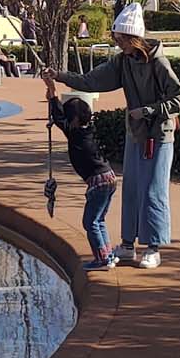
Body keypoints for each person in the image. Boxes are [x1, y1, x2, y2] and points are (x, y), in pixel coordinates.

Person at [42, 1, 180, 270]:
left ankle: (153, 247)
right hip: (135, 133)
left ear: (134, 38)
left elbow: (177, 98)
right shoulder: (123, 62)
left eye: (121, 39)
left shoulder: (159, 63)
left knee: (153, 190)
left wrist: (150, 110)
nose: (118, 44)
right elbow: (90, 81)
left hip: (159, 135)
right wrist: (59, 76)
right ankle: (128, 245)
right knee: (130, 189)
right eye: (116, 39)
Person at [49, 95, 118, 269]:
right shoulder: (88, 131)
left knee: (90, 222)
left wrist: (53, 95)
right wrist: (52, 94)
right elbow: (60, 118)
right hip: (109, 177)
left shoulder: (75, 134)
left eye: (68, 117)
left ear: (75, 120)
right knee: (99, 219)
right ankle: (107, 255)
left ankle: (102, 259)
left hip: (98, 181)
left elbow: (58, 118)